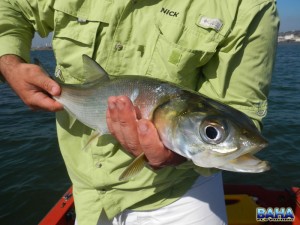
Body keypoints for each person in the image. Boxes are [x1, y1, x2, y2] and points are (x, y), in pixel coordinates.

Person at [0, 1, 279, 224]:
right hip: (83, 190)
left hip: (178, 196)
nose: (213, 134)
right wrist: (9, 63)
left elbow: (238, 108)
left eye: (210, 132)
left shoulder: (250, 7)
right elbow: (10, 6)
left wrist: (172, 156)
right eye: (212, 133)